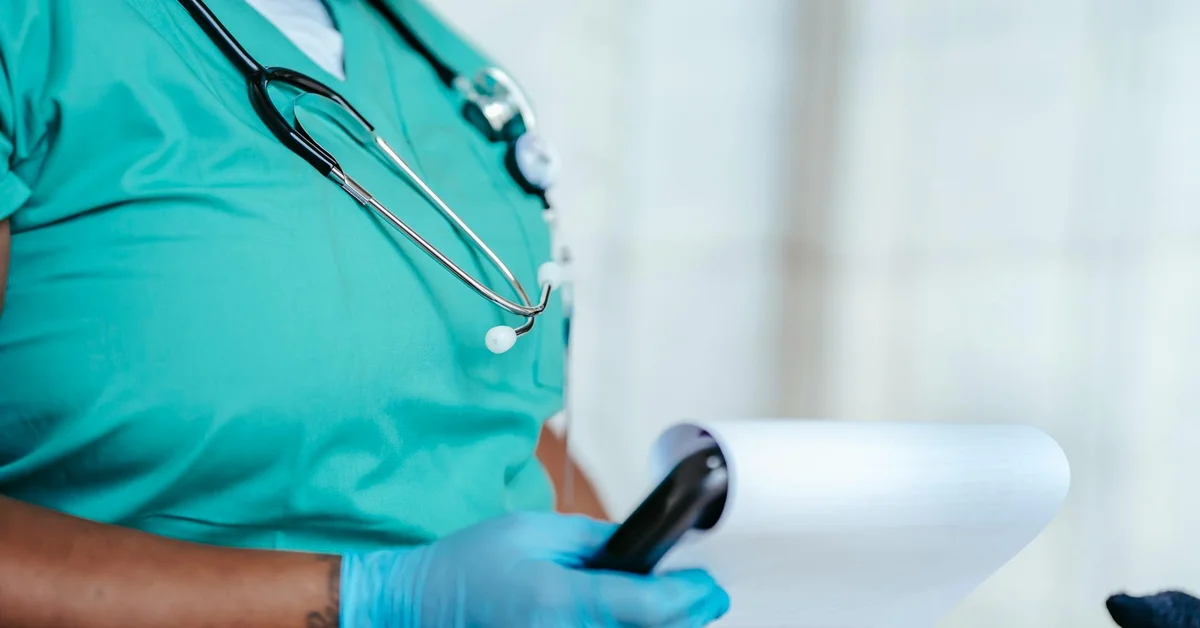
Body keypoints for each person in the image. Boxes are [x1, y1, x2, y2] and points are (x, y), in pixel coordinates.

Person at [0, 0, 731, 626]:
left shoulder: (428, 54)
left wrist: (614, 575)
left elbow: (478, 410)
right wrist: (378, 599)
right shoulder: (38, 32)